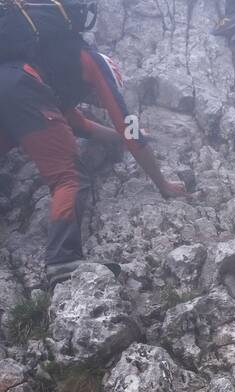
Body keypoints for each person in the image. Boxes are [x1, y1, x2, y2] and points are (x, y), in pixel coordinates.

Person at [0, 2, 186, 285]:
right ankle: (63, 260)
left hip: (10, 89)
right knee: (69, 176)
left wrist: (118, 137)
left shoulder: (54, 70)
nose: (99, 100)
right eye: (100, 95)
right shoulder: (95, 62)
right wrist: (163, 184)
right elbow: (128, 126)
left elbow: (78, 125)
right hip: (23, 91)